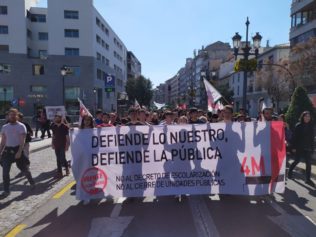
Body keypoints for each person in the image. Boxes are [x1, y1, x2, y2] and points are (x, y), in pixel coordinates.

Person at [0, 108, 35, 197]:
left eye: (14, 115)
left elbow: (22, 141)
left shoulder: (21, 126)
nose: (12, 116)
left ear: (17, 116)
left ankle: (31, 182)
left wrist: (19, 151)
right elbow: (3, 141)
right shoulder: (5, 127)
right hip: (7, 151)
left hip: (17, 150)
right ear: (8, 116)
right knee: (5, 172)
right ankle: (6, 191)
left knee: (24, 169)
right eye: (10, 115)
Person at [288, 111, 315, 187]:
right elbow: (294, 137)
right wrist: (293, 147)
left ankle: (307, 179)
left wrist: (313, 148)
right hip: (299, 147)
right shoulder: (298, 125)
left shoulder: (311, 126)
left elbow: (312, 138)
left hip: (308, 148)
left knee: (308, 164)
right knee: (297, 161)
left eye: (308, 116)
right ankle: (289, 172)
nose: (307, 118)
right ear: (303, 117)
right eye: (306, 116)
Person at [51, 114, 70, 178]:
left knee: (62, 158)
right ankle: (59, 172)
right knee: (58, 159)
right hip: (56, 144)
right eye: (55, 118)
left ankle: (67, 168)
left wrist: (67, 145)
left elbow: (67, 137)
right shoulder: (53, 126)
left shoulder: (65, 127)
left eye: (57, 118)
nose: (56, 119)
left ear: (60, 119)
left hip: (63, 145)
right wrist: (52, 143)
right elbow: (53, 136)